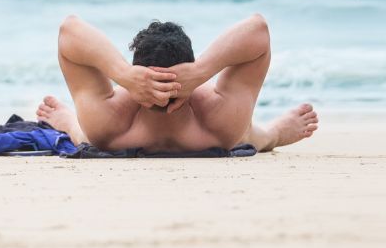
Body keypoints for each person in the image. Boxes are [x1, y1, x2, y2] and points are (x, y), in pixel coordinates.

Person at [36, 13, 318, 153]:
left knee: (85, 133)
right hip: (209, 130)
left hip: (115, 132)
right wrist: (201, 72)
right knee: (249, 135)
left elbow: (68, 31)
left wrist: (123, 74)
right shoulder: (219, 125)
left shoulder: (109, 126)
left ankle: (69, 122)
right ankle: (275, 133)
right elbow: (258, 30)